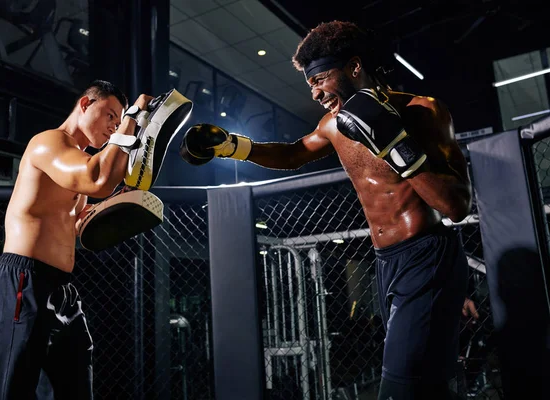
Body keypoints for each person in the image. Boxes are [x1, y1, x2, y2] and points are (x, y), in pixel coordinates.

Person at [180, 21, 474, 399]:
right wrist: (232, 146)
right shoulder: (334, 126)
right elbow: (292, 153)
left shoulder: (423, 112)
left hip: (428, 256)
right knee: (428, 383)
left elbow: (456, 205)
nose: (316, 93)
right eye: (311, 85)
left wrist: (396, 145)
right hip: (386, 263)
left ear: (354, 67)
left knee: (400, 387)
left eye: (320, 79)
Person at [0, 80, 155, 399]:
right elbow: (96, 179)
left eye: (118, 119)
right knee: (6, 391)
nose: (114, 125)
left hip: (61, 291)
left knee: (74, 388)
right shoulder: (48, 143)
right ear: (86, 105)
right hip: (22, 282)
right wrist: (132, 118)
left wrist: (114, 207)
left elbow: (78, 225)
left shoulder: (76, 161)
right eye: (110, 115)